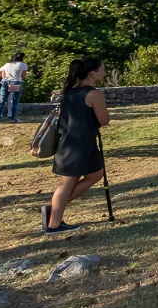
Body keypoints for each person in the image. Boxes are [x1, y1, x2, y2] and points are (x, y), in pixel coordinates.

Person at [45, 57, 111, 236]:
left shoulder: (70, 92)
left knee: (95, 174)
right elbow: (104, 120)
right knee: (67, 183)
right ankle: (54, 224)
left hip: (67, 142)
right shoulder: (94, 95)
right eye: (102, 70)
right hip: (80, 144)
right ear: (92, 73)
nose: (104, 73)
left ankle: (55, 210)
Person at [0, 52, 28, 123]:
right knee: (15, 102)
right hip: (16, 82)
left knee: (2, 101)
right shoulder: (23, 65)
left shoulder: (7, 64)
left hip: (6, 82)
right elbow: (23, 76)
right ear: (22, 58)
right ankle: (13, 118)